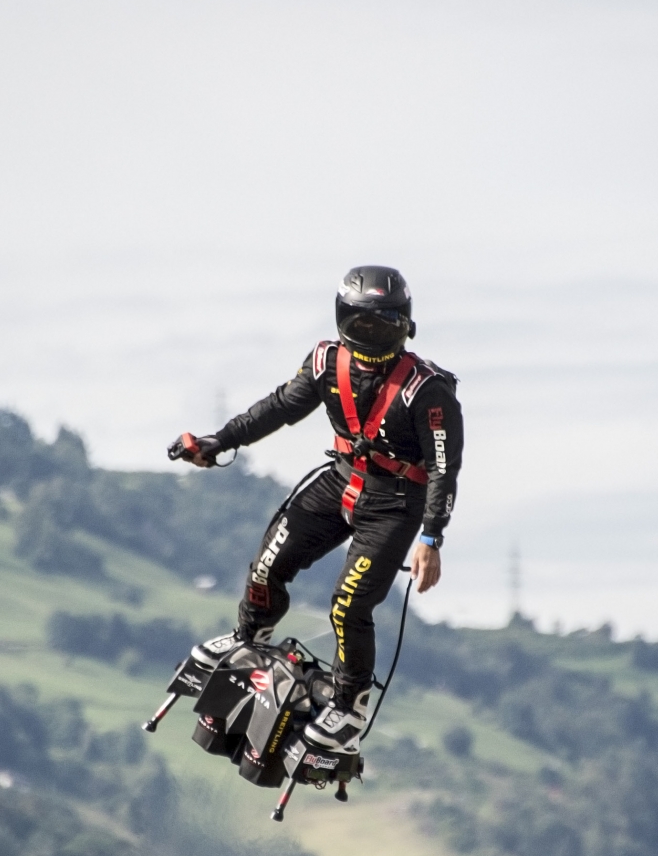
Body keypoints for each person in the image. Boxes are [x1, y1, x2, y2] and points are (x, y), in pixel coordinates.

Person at [173, 265, 463, 756]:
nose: (370, 335)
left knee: (349, 607)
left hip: (396, 504)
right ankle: (249, 636)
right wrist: (217, 441)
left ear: (405, 325)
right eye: (360, 324)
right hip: (342, 480)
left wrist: (431, 540)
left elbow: (443, 468)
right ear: (341, 320)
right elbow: (281, 406)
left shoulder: (428, 390)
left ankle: (349, 707)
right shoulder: (326, 362)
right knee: (268, 563)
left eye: (383, 324)